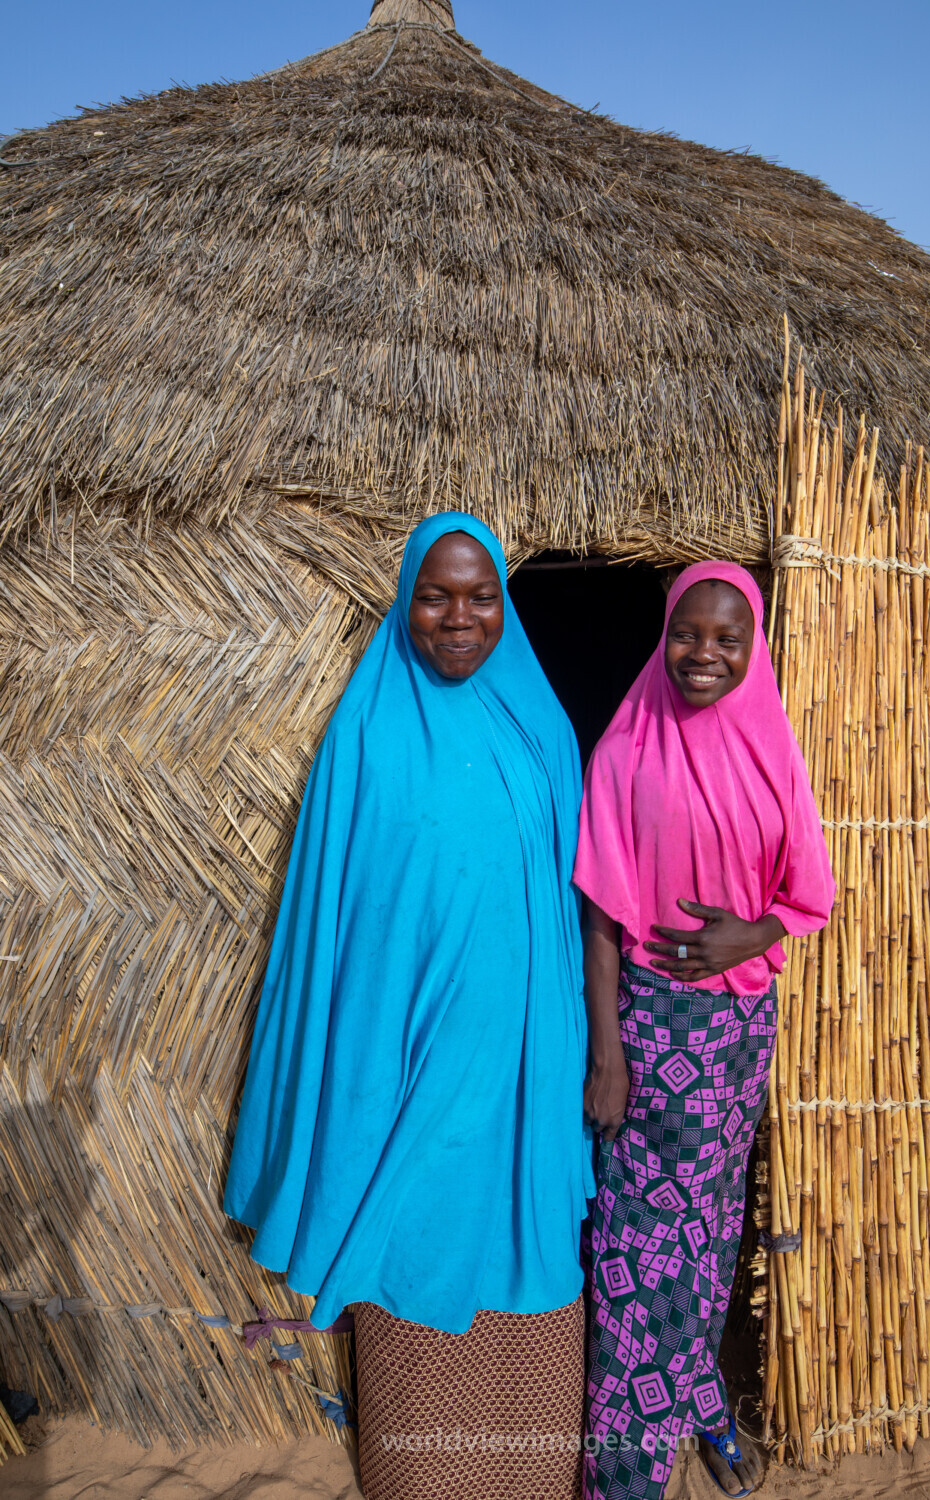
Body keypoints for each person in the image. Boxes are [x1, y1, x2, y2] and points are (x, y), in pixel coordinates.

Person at [224, 512, 593, 1500]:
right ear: (405, 600)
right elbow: (336, 930)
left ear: (505, 605)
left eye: (480, 595)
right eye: (436, 595)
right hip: (407, 1077)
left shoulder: (541, 729)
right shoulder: (368, 733)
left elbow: (567, 916)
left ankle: (522, 1466)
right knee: (411, 1237)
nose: (458, 617)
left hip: (519, 1078)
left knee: (524, 1251)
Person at [574, 562, 834, 1500]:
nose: (704, 655)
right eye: (689, 634)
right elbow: (600, 912)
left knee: (711, 1231)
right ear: (664, 635)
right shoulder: (626, 748)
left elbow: (805, 891)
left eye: (728, 638)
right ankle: (627, 1469)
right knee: (638, 1244)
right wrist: (607, 1052)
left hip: (736, 1032)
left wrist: (751, 931)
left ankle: (701, 1406)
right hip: (646, 1028)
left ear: (752, 644)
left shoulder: (773, 749)